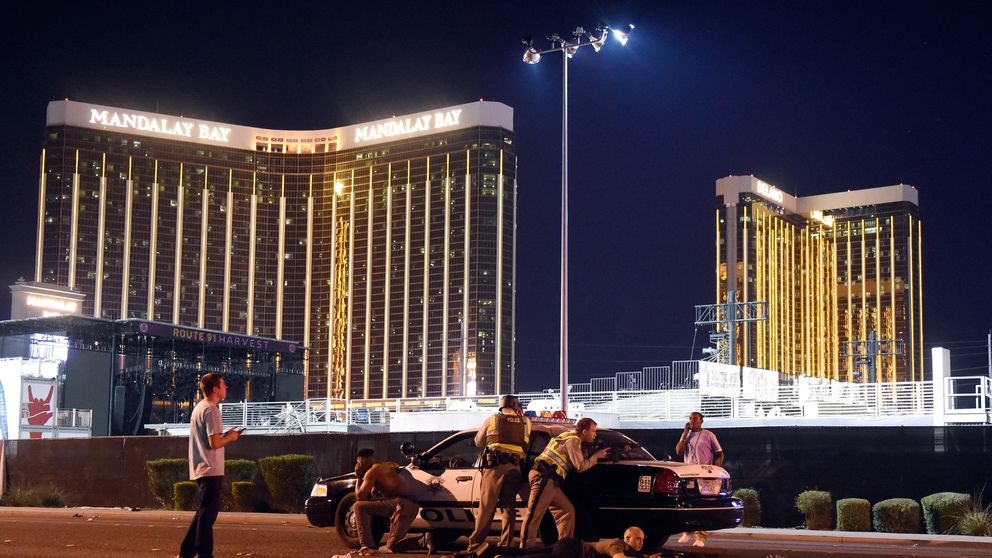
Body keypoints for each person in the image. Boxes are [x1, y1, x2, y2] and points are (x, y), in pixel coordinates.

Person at [178, 372, 242, 558]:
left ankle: (186, 551)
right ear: (215, 389)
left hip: (201, 466)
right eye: (223, 384)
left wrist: (225, 435)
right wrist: (232, 437)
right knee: (208, 514)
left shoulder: (200, 407)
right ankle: (204, 552)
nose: (226, 387)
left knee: (203, 512)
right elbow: (214, 443)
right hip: (210, 467)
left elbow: (211, 439)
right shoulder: (212, 410)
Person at [519, 418, 609, 548]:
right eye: (593, 431)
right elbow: (580, 466)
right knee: (534, 514)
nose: (595, 434)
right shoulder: (573, 440)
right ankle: (525, 550)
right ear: (584, 431)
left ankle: (564, 548)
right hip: (543, 477)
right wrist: (596, 457)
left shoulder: (568, 435)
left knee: (567, 511)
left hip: (551, 481)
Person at [466, 395, 532, 553]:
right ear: (516, 406)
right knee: (508, 508)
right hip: (515, 468)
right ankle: (506, 546)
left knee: (486, 507)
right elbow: (526, 444)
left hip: (495, 467)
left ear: (501, 406)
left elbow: (478, 442)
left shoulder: (493, 419)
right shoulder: (526, 421)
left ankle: (475, 545)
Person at [352, 448, 432, 554]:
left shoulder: (372, 471)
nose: (358, 466)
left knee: (358, 506)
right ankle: (423, 540)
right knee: (391, 547)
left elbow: (360, 497)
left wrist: (358, 476)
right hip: (411, 506)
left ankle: (367, 546)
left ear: (362, 462)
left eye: (359, 463)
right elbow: (395, 467)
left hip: (401, 505)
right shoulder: (387, 465)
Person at [674, 411, 723, 548]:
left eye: (695, 418)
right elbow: (678, 451)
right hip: (688, 474)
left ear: (701, 420)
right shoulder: (686, 435)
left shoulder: (708, 435)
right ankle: (687, 531)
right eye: (690, 418)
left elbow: (720, 454)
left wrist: (715, 469)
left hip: (704, 474)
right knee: (687, 502)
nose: (692, 421)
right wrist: (684, 434)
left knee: (702, 504)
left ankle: (700, 536)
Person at [490, 526, 659, 558]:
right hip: (572, 550)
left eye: (642, 540)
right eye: (638, 539)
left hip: (569, 545)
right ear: (627, 538)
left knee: (528, 552)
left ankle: (495, 552)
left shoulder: (627, 549)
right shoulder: (616, 545)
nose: (641, 543)